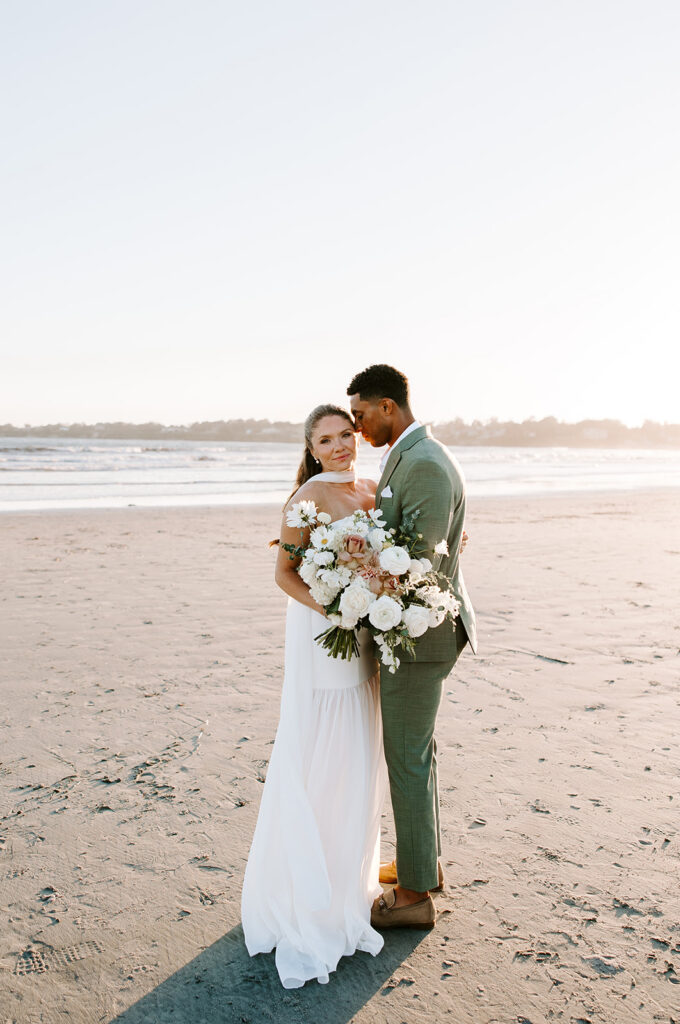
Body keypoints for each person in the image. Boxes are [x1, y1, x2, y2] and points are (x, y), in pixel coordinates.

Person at [241, 404, 387, 989]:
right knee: (326, 753)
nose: (339, 446)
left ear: (357, 437)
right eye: (326, 440)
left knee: (358, 753)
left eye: (345, 435)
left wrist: (383, 595)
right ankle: (312, 900)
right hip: (325, 635)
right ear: (312, 447)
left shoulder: (374, 490)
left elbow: (382, 562)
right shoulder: (305, 498)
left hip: (369, 629)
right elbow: (285, 574)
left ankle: (349, 887)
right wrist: (340, 610)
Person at [347, 364, 477, 930]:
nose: (355, 427)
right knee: (414, 754)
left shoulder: (422, 462)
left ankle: (416, 896)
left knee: (405, 755)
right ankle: (426, 864)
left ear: (387, 407)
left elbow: (416, 565)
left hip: (421, 636)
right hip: (421, 631)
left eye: (359, 415)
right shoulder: (414, 454)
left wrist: (346, 568)